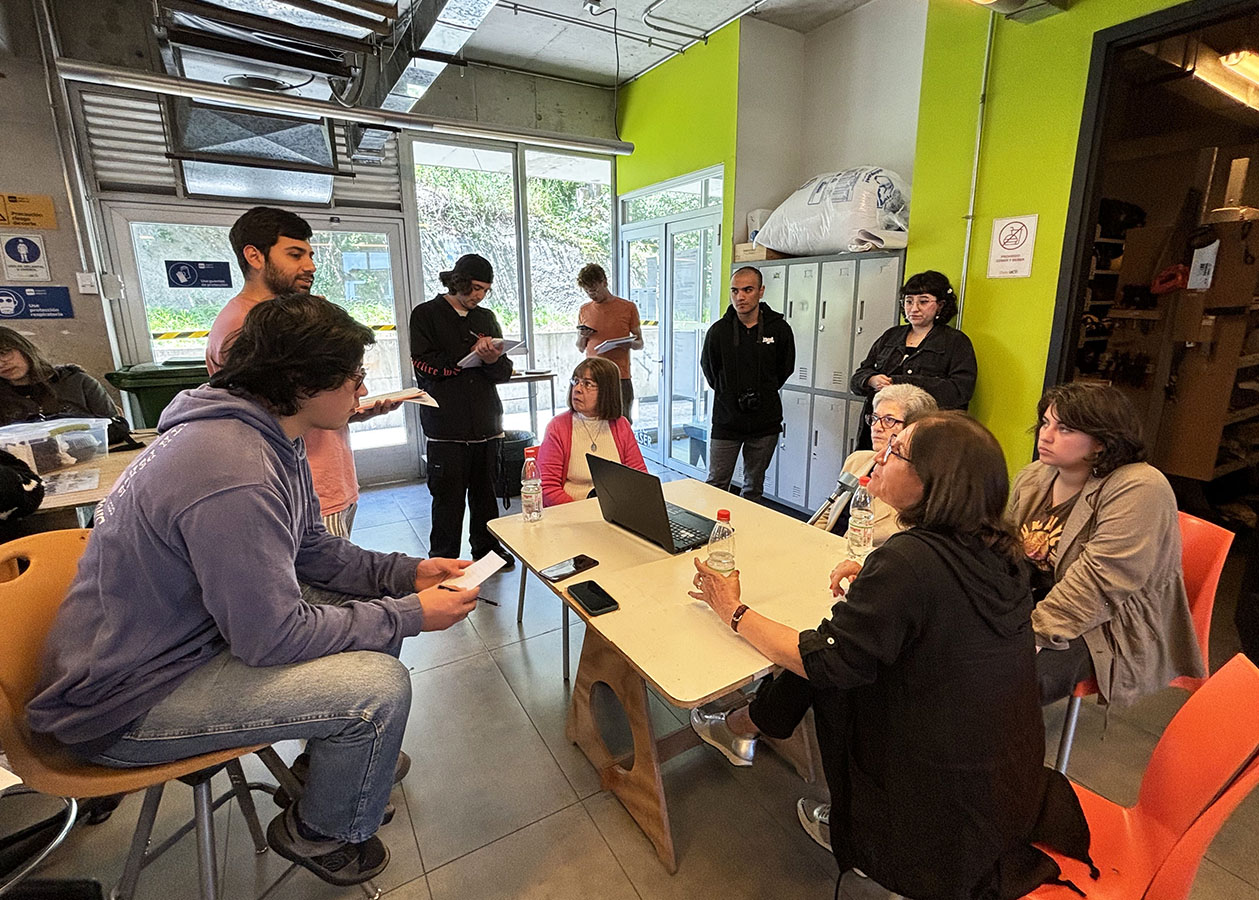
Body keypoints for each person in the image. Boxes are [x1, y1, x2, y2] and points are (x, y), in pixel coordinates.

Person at [27, 294, 481, 887]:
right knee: (378, 689)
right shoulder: (232, 467)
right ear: (298, 380)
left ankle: (335, 765)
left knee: (370, 614)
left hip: (177, 645)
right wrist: (411, 614)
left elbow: (310, 550)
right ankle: (323, 830)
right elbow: (271, 636)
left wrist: (404, 573)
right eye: (350, 375)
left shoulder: (268, 433)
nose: (360, 386)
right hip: (125, 701)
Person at [687, 412, 1091, 900]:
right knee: (837, 638)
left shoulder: (910, 561)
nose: (880, 454)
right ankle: (750, 726)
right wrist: (878, 588)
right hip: (999, 772)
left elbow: (822, 662)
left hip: (933, 786)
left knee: (824, 654)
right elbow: (941, 619)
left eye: (896, 450)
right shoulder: (995, 549)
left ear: (932, 482)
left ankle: (860, 831)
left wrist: (731, 608)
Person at [206, 206, 400, 537]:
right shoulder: (244, 328)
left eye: (310, 255)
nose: (309, 266)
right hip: (300, 492)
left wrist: (353, 411)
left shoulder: (288, 318)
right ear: (254, 256)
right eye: (295, 255)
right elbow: (265, 420)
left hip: (328, 482)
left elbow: (301, 400)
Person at [1009, 382, 1205, 707]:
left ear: (1101, 442)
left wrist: (1036, 633)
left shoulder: (1140, 487)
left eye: (1065, 429)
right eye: (1045, 422)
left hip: (1108, 619)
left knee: (1007, 679)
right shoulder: (1035, 476)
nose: (1045, 435)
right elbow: (1011, 556)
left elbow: (1102, 583)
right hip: (1046, 599)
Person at [410, 253, 515, 566]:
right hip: (446, 427)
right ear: (458, 282)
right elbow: (424, 365)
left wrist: (493, 359)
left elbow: (504, 371)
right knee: (447, 500)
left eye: (485, 290)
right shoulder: (426, 314)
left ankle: (486, 552)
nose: (478, 296)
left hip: (487, 423)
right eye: (474, 288)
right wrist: (467, 354)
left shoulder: (485, 317)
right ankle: (443, 560)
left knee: (486, 496)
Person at [850, 270, 977, 450]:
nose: (914, 308)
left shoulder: (956, 342)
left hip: (927, 435)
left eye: (923, 301)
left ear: (940, 305)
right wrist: (871, 380)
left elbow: (959, 391)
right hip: (880, 430)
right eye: (909, 301)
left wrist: (900, 383)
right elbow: (857, 379)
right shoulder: (891, 336)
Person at [700, 266, 795, 502]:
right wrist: (729, 392)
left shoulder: (779, 329)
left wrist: (763, 388)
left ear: (760, 291)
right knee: (716, 483)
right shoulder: (718, 331)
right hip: (726, 420)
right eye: (735, 291)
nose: (740, 297)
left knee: (753, 487)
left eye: (747, 290)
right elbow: (710, 370)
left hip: (765, 422)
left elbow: (785, 368)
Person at [823, 383, 936, 555]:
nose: (876, 426)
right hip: (826, 549)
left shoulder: (915, 482)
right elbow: (828, 513)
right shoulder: (857, 460)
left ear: (914, 429)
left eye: (889, 420)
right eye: (874, 418)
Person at [537, 357, 646, 506]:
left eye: (587, 384)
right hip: (570, 511)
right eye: (575, 381)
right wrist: (582, 512)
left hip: (615, 510)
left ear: (606, 391)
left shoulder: (621, 425)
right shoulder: (558, 427)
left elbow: (639, 479)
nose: (577, 389)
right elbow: (547, 488)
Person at [0, 327, 118, 425]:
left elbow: (116, 426)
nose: (1, 364)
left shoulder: (77, 382)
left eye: (4, 353)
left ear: (24, 349)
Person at [575, 263, 643, 423]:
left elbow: (640, 342)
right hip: (593, 376)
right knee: (594, 422)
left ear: (604, 282)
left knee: (622, 422)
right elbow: (580, 347)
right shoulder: (584, 310)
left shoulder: (627, 307)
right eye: (587, 291)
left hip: (620, 375)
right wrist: (582, 336)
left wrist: (629, 344)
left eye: (594, 290)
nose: (592, 295)